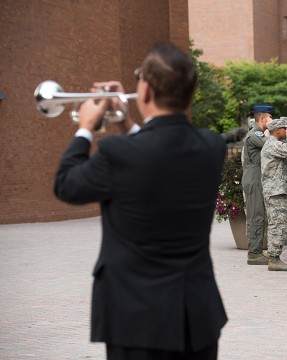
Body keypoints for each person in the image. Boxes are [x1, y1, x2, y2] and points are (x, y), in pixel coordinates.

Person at [54, 43, 227, 359]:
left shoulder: (118, 153)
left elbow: (66, 186)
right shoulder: (212, 147)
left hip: (136, 322)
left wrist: (85, 129)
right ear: (189, 94)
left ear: (145, 93)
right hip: (197, 317)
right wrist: (125, 122)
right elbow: (157, 151)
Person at [261, 118, 287, 271]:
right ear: (277, 131)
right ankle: (274, 259)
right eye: (284, 129)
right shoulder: (273, 144)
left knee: (279, 224)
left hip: (277, 190)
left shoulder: (273, 143)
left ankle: (274, 255)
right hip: (275, 191)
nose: (286, 131)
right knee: (278, 224)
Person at [242, 104, 273, 265]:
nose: (272, 121)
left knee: (259, 214)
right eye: (270, 118)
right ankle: (254, 253)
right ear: (262, 119)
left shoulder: (258, 133)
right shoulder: (254, 134)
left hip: (256, 177)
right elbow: (270, 146)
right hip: (253, 177)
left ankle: (258, 250)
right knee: (256, 215)